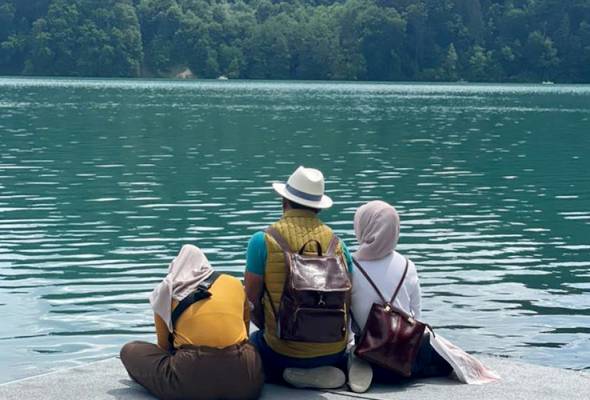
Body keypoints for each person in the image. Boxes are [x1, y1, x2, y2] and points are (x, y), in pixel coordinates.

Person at [350, 200, 499, 393]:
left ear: (363, 227)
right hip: (408, 359)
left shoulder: (350, 267)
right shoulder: (407, 265)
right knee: (437, 348)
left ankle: (356, 367)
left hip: (370, 355)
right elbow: (417, 316)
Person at [244, 166, 357, 389]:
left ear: (284, 201)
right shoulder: (338, 245)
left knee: (252, 345)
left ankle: (285, 373)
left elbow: (250, 301)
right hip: (333, 350)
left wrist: (268, 327)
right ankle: (342, 365)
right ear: (318, 207)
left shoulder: (262, 241)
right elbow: (347, 298)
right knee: (342, 352)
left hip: (280, 351)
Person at [120, 244, 264, 400]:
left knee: (129, 350)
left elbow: (164, 347)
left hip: (190, 383)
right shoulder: (234, 283)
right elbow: (244, 336)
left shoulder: (167, 291)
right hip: (245, 380)